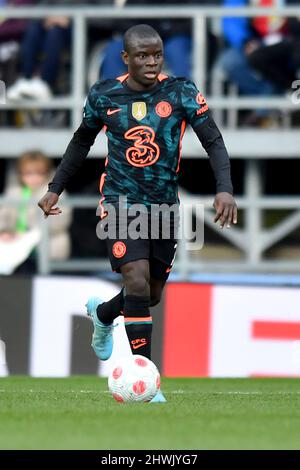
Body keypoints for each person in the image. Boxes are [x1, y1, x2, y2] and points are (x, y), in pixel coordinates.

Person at [38, 24, 237, 402]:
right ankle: (145, 380)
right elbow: (81, 142)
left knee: (151, 294)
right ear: (125, 58)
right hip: (119, 202)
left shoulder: (181, 91)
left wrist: (224, 188)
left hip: (164, 206)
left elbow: (213, 139)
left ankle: (103, 315)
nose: (150, 62)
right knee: (136, 278)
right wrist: (54, 187)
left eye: (156, 55)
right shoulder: (103, 95)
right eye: (142, 56)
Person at [0, 151, 72, 273]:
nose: (33, 178)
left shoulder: (56, 193)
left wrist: (29, 234)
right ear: (20, 174)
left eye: (39, 173)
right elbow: (3, 216)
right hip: (15, 250)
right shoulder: (13, 191)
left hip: (47, 250)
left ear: (47, 173)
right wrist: (5, 231)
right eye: (28, 173)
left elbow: (60, 221)